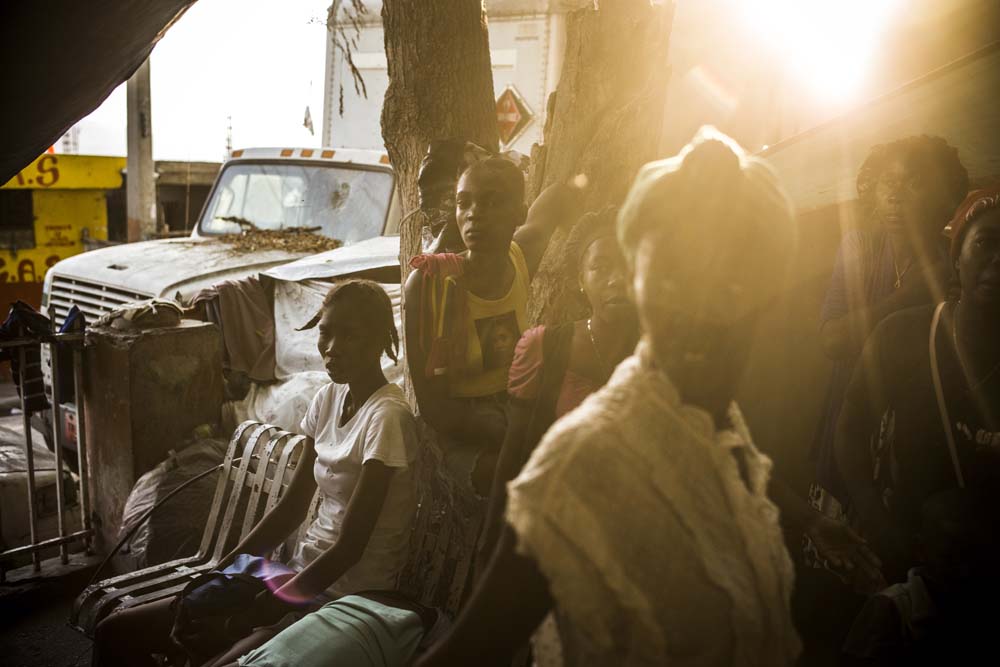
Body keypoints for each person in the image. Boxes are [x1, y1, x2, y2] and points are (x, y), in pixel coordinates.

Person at [415, 128, 802, 666]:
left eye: (729, 283)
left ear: (768, 293)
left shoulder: (719, 424)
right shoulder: (585, 460)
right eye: (672, 278)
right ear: (639, 283)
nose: (700, 311)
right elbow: (474, 646)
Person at [92, 279, 419, 667]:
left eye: (350, 336)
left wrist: (246, 619)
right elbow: (292, 508)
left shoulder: (387, 418)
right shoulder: (330, 398)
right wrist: (220, 568)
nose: (331, 349)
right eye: (326, 333)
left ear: (379, 340)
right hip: (296, 576)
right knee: (114, 631)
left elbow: (349, 548)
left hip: (345, 599)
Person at [836, 185, 1000, 583]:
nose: (997, 262)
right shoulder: (903, 335)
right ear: (955, 256)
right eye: (984, 244)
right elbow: (849, 433)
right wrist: (881, 529)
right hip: (911, 565)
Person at [811, 136, 969, 522]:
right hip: (848, 427)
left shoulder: (956, 261)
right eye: (887, 182)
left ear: (942, 196)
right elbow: (833, 340)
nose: (895, 195)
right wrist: (913, 295)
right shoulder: (860, 247)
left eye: (913, 182)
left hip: (915, 449)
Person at [404, 158, 580, 496]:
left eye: (492, 201)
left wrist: (586, 253)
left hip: (518, 409)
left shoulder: (520, 256)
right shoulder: (429, 285)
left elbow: (558, 196)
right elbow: (435, 409)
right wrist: (520, 432)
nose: (474, 213)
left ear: (519, 213)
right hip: (464, 430)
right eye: (463, 202)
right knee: (529, 479)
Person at [477, 206, 639, 568]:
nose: (616, 279)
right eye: (601, 267)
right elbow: (513, 454)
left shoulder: (658, 356)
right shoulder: (545, 348)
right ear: (581, 280)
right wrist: (490, 548)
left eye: (628, 263)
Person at [841, 488, 1000, 666]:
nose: (965, 570)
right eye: (949, 557)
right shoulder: (890, 609)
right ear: (920, 550)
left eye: (973, 555)